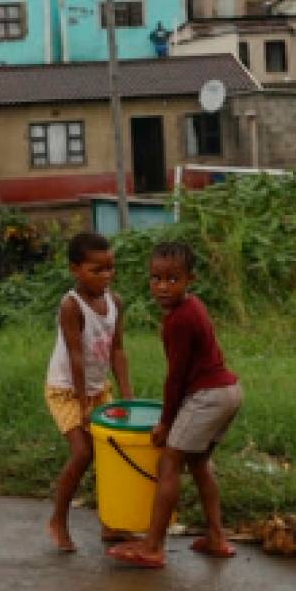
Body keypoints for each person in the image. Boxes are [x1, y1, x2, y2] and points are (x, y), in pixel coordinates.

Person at [107, 243, 244, 568]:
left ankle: (152, 546)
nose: (163, 287)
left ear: (190, 279)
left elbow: (176, 379)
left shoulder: (178, 321)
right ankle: (216, 537)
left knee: (169, 463)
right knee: (198, 464)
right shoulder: (192, 307)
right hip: (230, 391)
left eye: (173, 279)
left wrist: (166, 422)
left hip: (208, 396)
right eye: (156, 278)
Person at [44, 232, 133, 553]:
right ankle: (58, 520)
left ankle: (112, 524)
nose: (106, 276)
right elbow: (75, 355)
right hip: (67, 390)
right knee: (83, 453)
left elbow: (118, 351)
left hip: (99, 389)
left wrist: (126, 396)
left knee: (114, 453)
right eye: (97, 270)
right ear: (75, 270)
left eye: (110, 268)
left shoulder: (115, 302)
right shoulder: (72, 306)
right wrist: (83, 406)